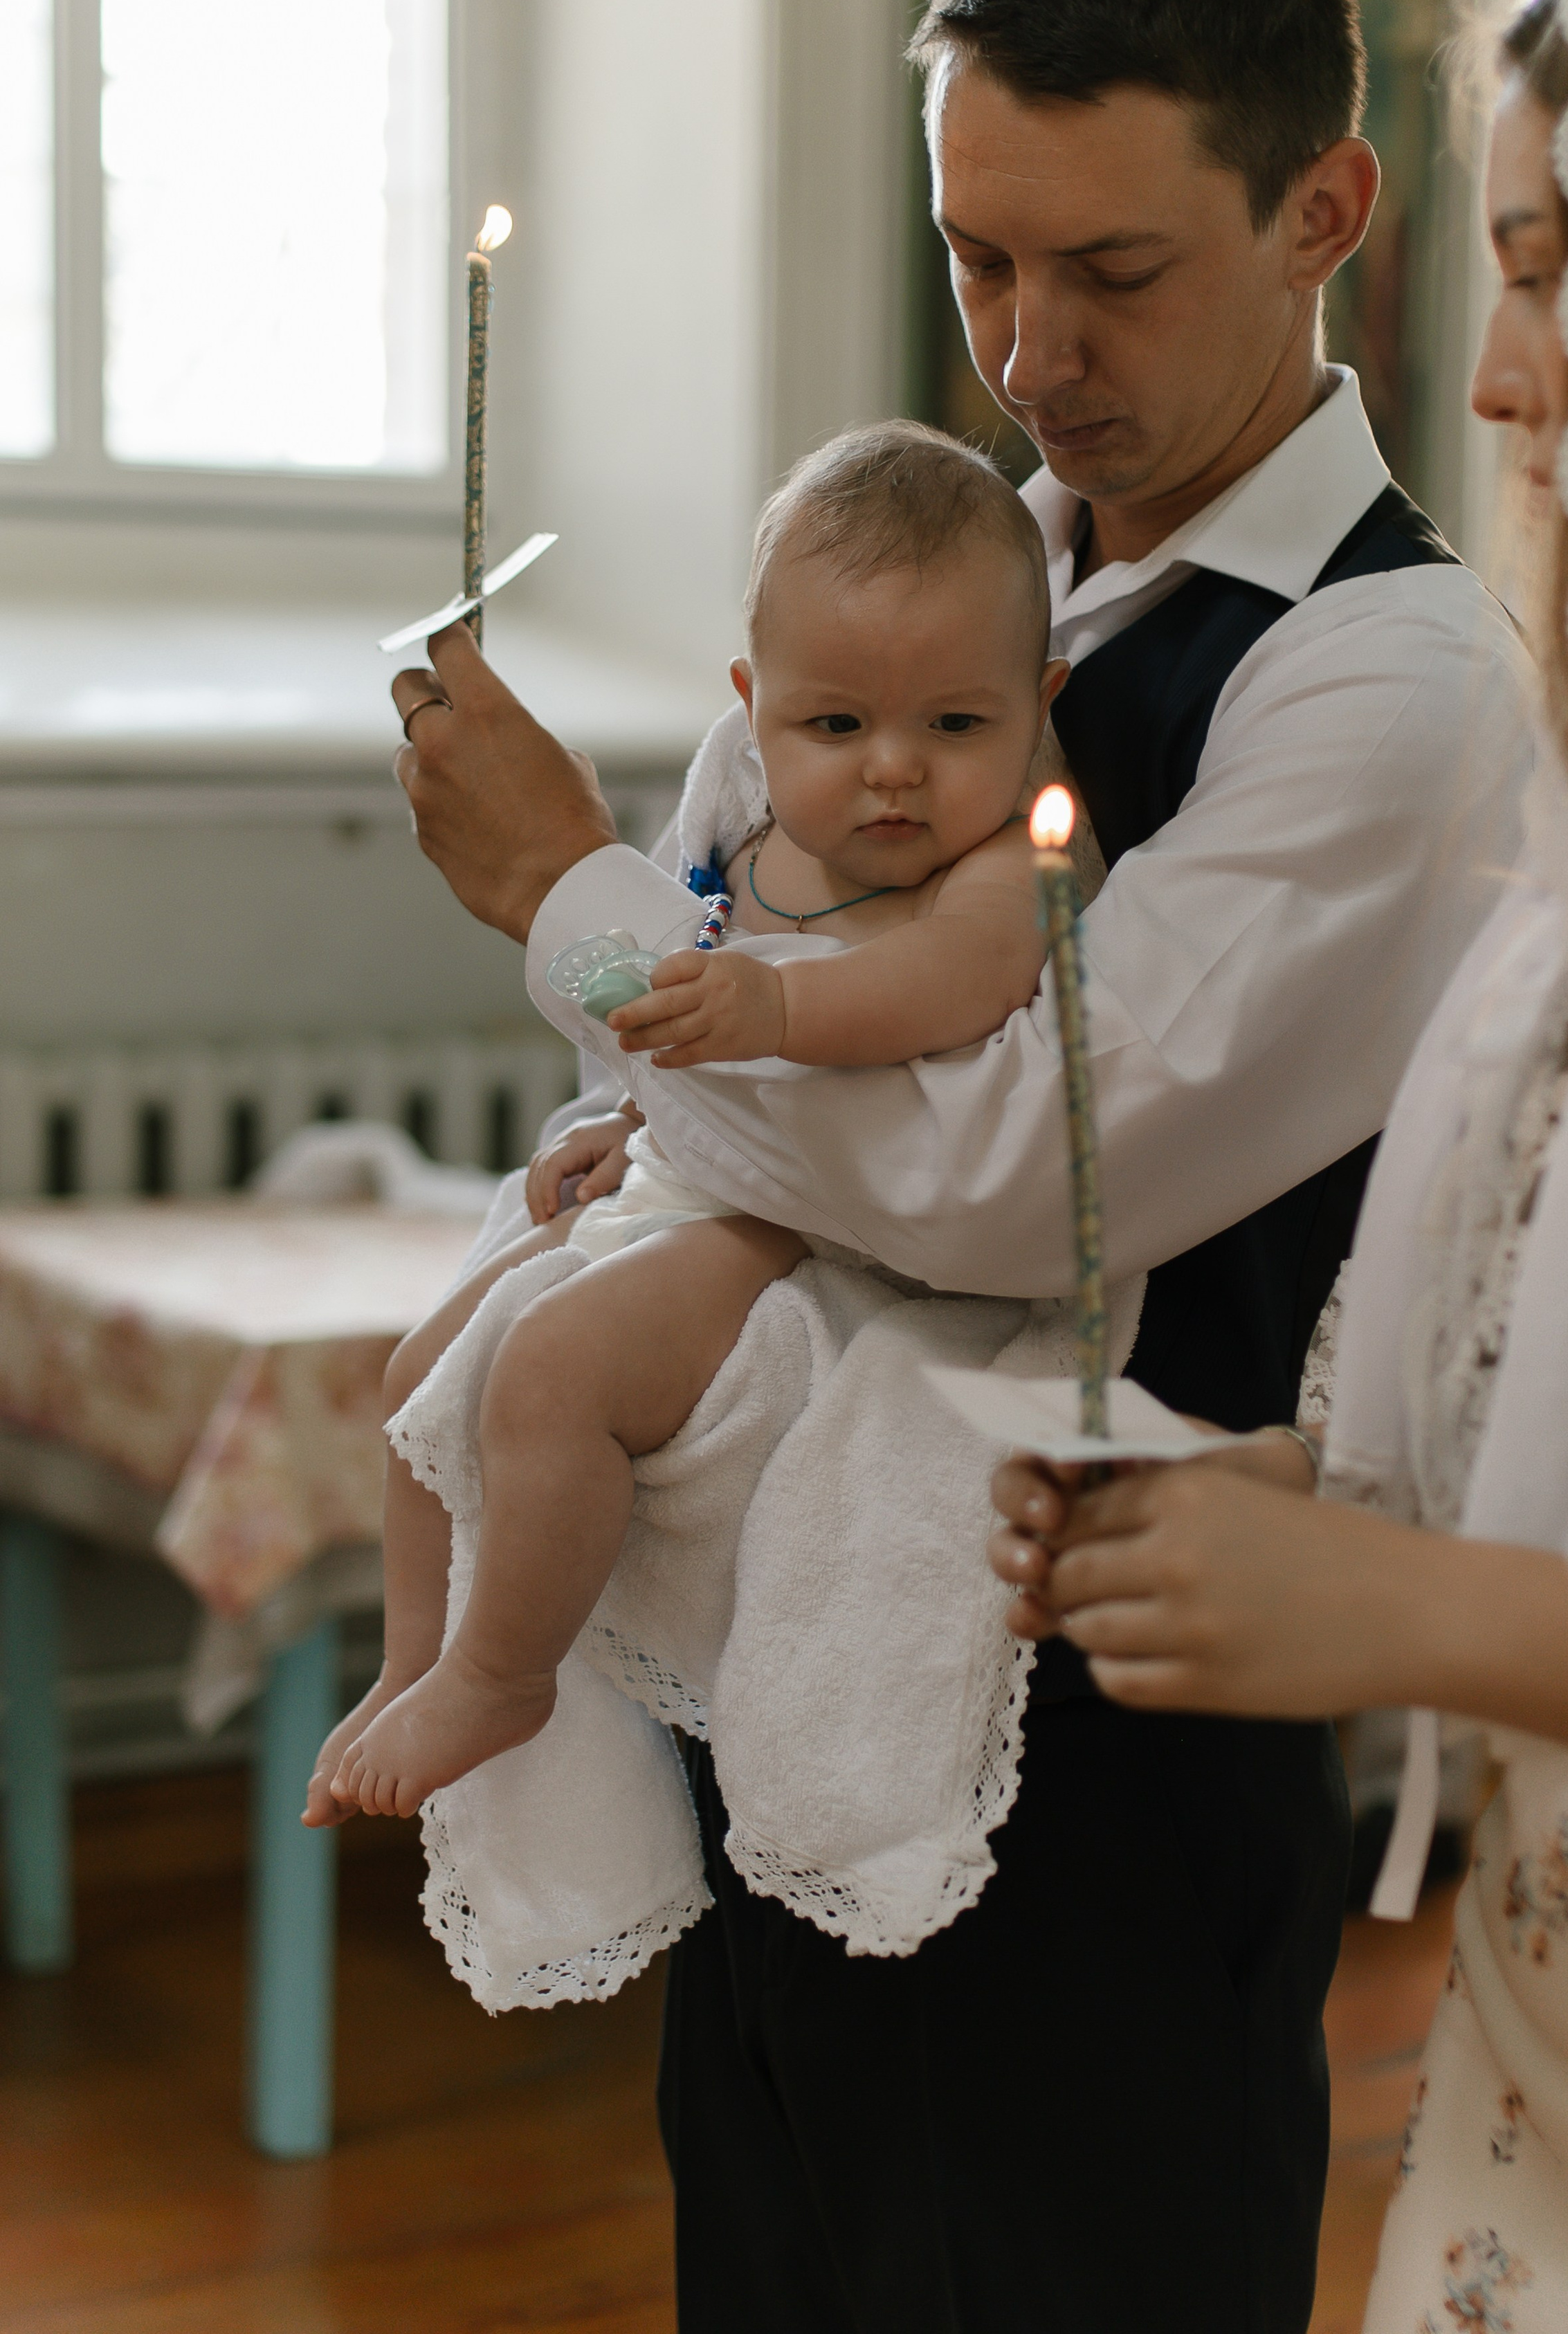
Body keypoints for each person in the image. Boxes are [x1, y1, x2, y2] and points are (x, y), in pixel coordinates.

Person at [390, 0, 1531, 2333]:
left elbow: (1017, 1178)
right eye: (977, 259)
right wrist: (631, 1027)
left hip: (1109, 1748)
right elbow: (674, 1043)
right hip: (773, 1676)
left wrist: (577, 903)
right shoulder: (926, 591)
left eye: (1112, 269)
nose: (1026, 351)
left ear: (1326, 211)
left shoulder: (1395, 680)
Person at [992, 0, 1568, 2330]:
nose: (1509, 379)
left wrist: (1405, 1606)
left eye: (1557, 276)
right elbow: (1539, 1386)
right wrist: (1270, 1498)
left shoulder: (1399, 683)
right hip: (1549, 2074)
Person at [309, 423, 1068, 1822]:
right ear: (753, 708)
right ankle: (414, 1658)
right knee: (425, 1371)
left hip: (807, 1221)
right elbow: (657, 1018)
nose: (893, 770)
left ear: (1040, 700)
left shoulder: (1003, 863)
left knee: (554, 1372)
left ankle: (501, 1674)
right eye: (835, 727)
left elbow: (954, 980)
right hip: (691, 1166)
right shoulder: (746, 828)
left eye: (956, 726)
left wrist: (772, 1006)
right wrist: (631, 1110)